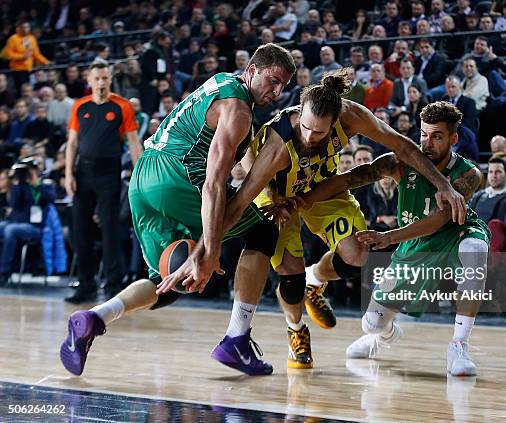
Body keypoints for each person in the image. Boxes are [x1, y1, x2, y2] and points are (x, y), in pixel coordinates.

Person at [59, 44, 296, 377]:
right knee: (262, 232)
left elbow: (234, 169)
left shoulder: (222, 81)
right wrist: (211, 251)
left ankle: (94, 318)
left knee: (173, 279)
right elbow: (214, 183)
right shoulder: (238, 109)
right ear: (253, 71)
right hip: (178, 176)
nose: (278, 91)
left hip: (143, 179)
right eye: (273, 81)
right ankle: (237, 339)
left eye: (284, 85)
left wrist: (268, 195)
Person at [217, 72, 467, 370]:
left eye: (320, 133)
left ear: (336, 121)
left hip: (323, 187)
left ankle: (316, 279)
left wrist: (443, 184)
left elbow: (402, 146)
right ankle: (296, 329)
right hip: (276, 195)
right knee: (290, 278)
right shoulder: (278, 139)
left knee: (356, 254)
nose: (310, 136)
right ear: (300, 113)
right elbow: (249, 176)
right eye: (306, 128)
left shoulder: (353, 117)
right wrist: (267, 203)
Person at [297, 101, 489, 376]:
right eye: (424, 134)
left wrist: (388, 237)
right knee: (372, 323)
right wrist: (300, 200)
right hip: (414, 245)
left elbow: (438, 221)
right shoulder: (398, 163)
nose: (428, 142)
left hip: (455, 235)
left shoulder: (469, 174)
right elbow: (350, 179)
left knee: (475, 248)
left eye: (437, 136)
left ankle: (459, 345)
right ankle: (381, 337)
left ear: (453, 138)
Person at [64, 62, 144, 304]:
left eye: (105, 78)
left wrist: (139, 173)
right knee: (80, 230)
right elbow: (72, 143)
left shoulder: (122, 106)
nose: (101, 82)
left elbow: (132, 142)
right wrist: (68, 174)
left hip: (109, 172)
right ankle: (85, 285)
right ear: (89, 80)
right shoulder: (80, 105)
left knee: (110, 229)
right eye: (97, 78)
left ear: (110, 80)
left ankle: (112, 285)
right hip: (83, 172)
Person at [0, 159, 56, 285]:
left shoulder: (46, 185)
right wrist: (16, 182)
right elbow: (13, 204)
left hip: (35, 227)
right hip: (15, 223)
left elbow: (50, 200)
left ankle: (4, 272)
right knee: (5, 227)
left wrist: (37, 184)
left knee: (10, 230)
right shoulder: (20, 186)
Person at [4, 21, 49, 92]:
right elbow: (8, 55)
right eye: (24, 27)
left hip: (29, 69)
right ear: (19, 28)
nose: (26, 29)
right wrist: (22, 56)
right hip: (17, 69)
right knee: (21, 89)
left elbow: (36, 54)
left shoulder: (32, 38)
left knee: (29, 88)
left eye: (27, 27)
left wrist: (46, 62)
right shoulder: (13, 39)